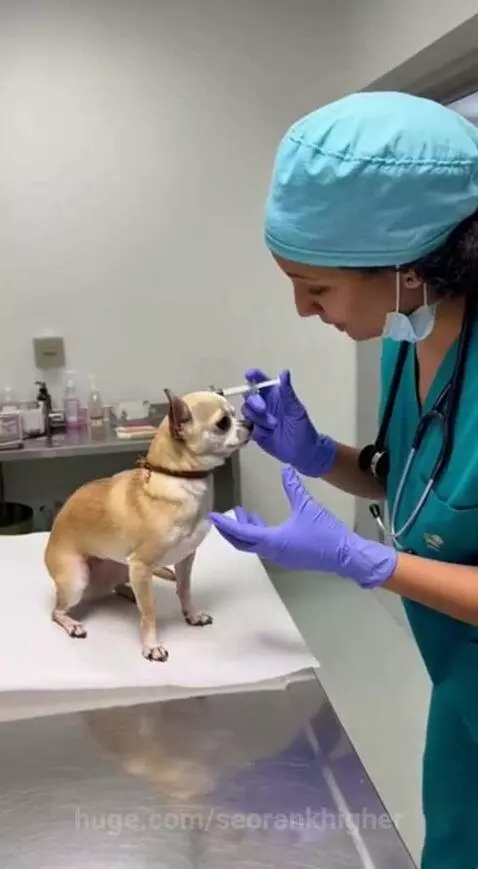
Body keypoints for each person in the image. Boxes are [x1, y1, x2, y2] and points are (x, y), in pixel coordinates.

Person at [208, 90, 478, 868]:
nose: (299, 308)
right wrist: (320, 453)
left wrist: (371, 561)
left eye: (316, 286)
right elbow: (417, 481)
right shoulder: (408, 334)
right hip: (462, 703)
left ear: (410, 266)